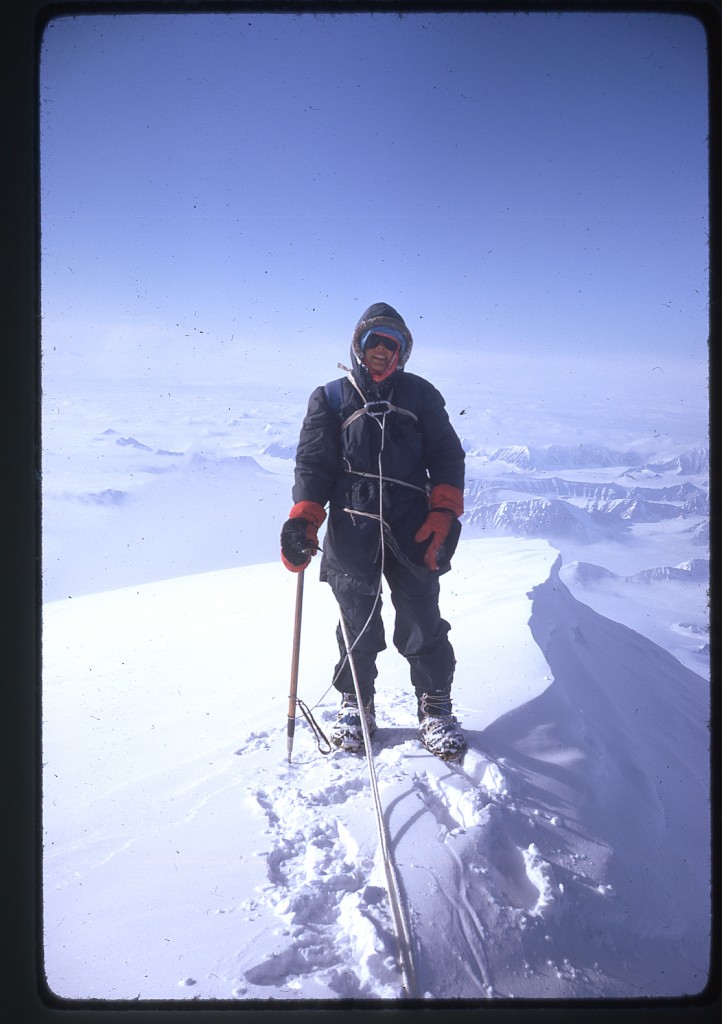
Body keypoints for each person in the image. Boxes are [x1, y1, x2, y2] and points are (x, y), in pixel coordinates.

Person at [280, 302, 466, 761]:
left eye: (392, 344)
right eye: (373, 342)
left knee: (422, 619)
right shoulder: (331, 398)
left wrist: (443, 513)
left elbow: (446, 456)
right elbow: (313, 465)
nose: (382, 351)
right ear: (358, 347)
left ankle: (435, 707)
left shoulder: (421, 395)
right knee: (356, 624)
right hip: (351, 526)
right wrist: (303, 519)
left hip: (413, 526)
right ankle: (355, 702)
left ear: (403, 352)